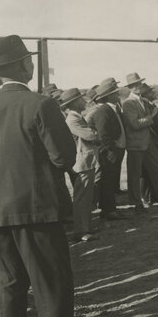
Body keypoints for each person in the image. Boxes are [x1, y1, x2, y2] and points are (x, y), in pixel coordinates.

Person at [0, 34, 95, 317]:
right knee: (51, 287)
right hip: (38, 213)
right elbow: (63, 157)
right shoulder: (41, 105)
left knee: (6, 291)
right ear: (25, 65)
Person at [121, 72, 158, 211]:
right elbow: (135, 124)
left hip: (149, 141)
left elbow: (153, 114)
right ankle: (136, 204)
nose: (138, 86)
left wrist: (156, 109)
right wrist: (153, 115)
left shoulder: (143, 101)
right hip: (135, 144)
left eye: (139, 83)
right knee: (135, 175)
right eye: (134, 85)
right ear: (129, 87)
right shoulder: (128, 103)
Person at [60, 88, 100, 242]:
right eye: (81, 99)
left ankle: (85, 227)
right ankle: (81, 231)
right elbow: (91, 135)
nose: (84, 101)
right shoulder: (72, 119)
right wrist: (95, 132)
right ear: (74, 103)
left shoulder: (76, 117)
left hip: (86, 161)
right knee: (82, 199)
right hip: (82, 163)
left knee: (86, 197)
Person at [85, 78, 127, 221]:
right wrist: (110, 150)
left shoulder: (112, 109)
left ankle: (110, 209)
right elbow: (103, 135)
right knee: (108, 181)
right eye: (115, 93)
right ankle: (109, 211)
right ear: (108, 96)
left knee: (110, 180)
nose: (118, 95)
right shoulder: (103, 111)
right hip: (109, 152)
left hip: (115, 150)